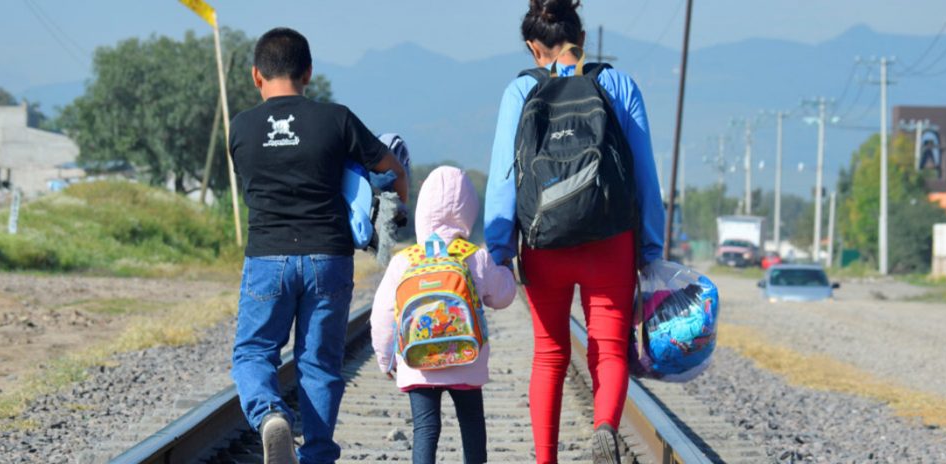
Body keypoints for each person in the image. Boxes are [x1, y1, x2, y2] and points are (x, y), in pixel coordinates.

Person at [484, 1, 665, 462]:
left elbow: (505, 176)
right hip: (610, 239)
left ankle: (546, 459)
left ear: (532, 46)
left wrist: (500, 246)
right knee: (608, 349)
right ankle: (604, 426)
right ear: (580, 37)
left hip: (546, 243)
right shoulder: (617, 83)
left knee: (549, 353)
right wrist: (649, 246)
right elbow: (644, 174)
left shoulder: (520, 90)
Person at [228, 27, 408, 464]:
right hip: (328, 257)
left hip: (267, 257)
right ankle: (319, 455)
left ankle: (270, 414)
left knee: (254, 352)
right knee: (319, 363)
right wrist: (398, 201)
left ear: (256, 76)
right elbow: (389, 165)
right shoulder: (336, 118)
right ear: (308, 72)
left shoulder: (242, 128)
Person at [371, 166, 516, 464]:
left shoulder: (405, 261)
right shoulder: (474, 256)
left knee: (426, 428)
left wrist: (385, 357)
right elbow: (502, 296)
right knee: (472, 423)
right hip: (466, 358)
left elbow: (383, 314)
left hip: (418, 362)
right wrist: (506, 271)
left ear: (423, 208)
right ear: (469, 210)